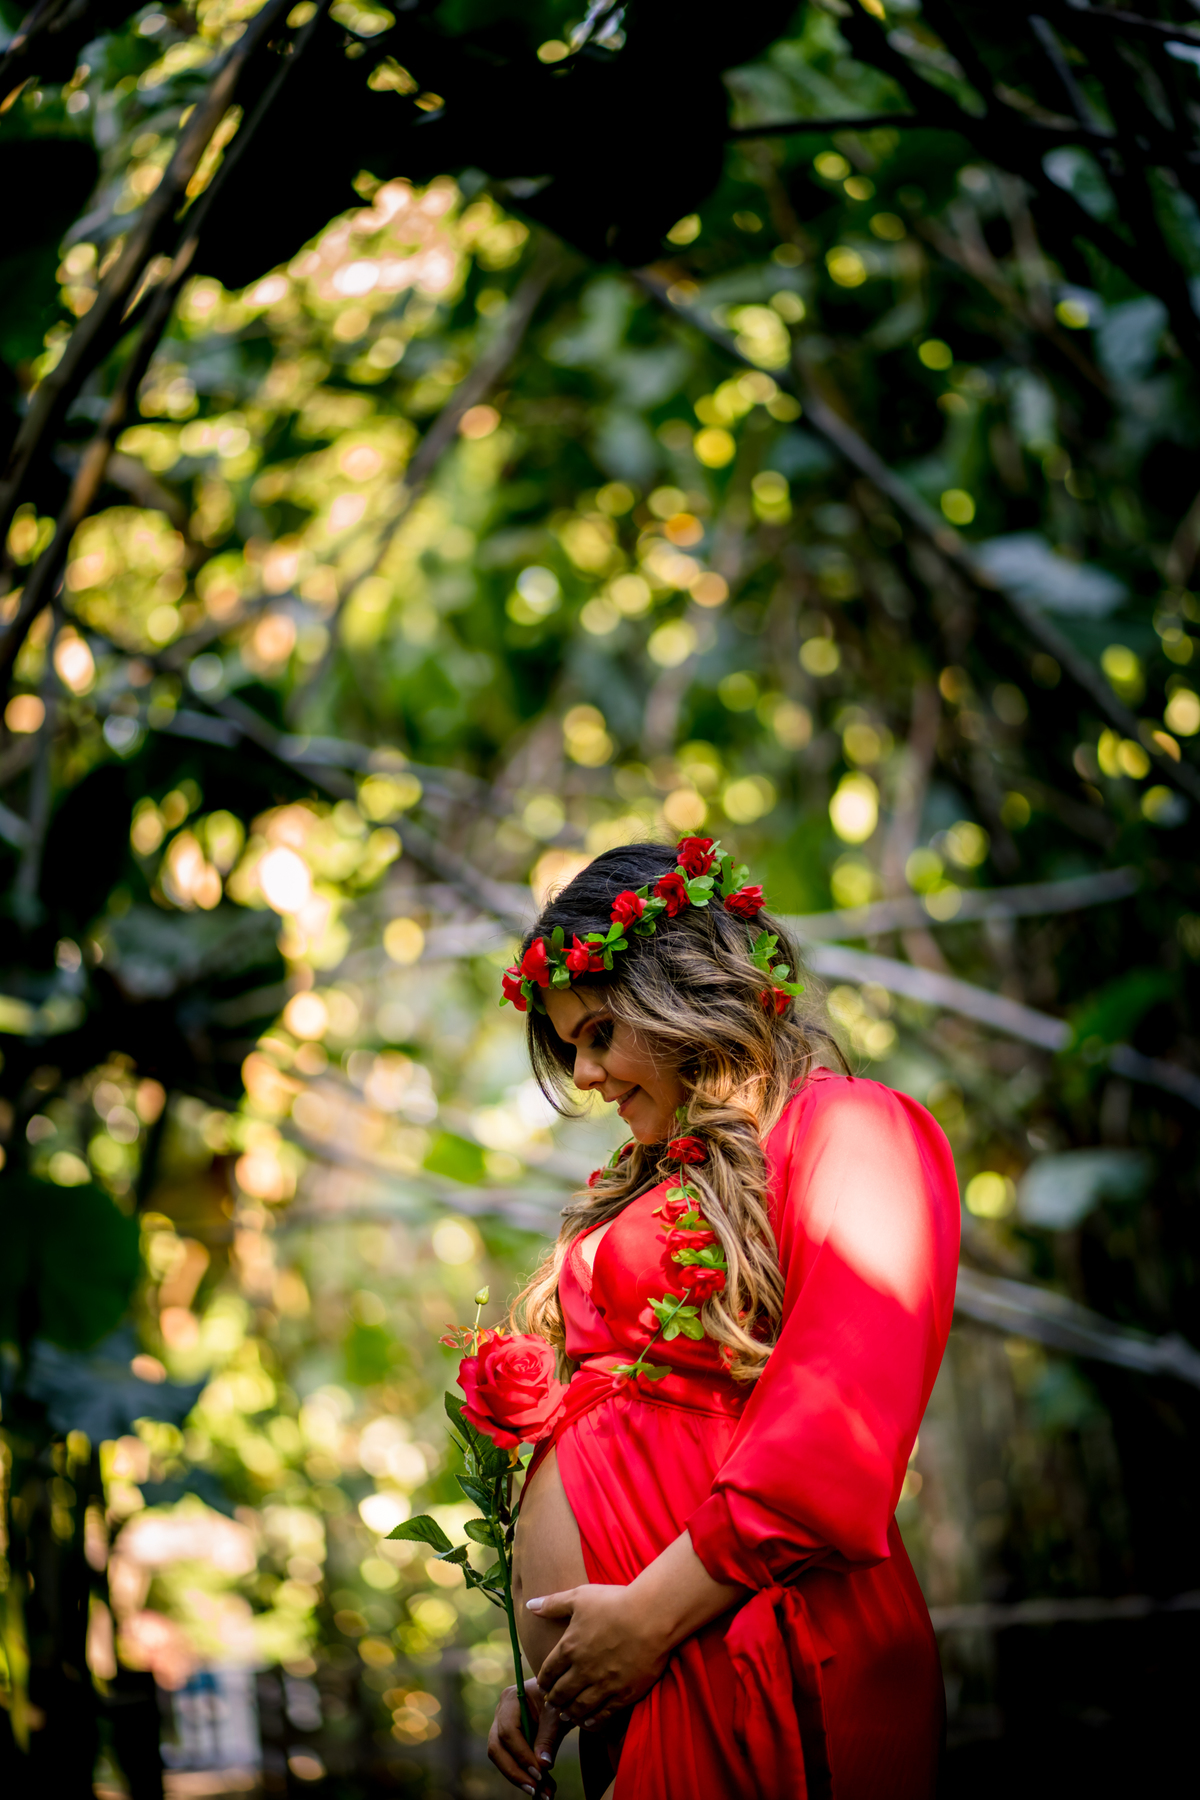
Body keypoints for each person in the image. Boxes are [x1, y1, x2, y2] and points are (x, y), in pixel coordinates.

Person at [486, 838, 960, 1800]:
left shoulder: (853, 1129)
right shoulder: (668, 1180)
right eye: (569, 1045)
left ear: (682, 992)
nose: (584, 1078)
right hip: (647, 1669)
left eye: (598, 1034)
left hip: (763, 1654)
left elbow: (838, 1426)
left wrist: (652, 1615)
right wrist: (558, 1679)